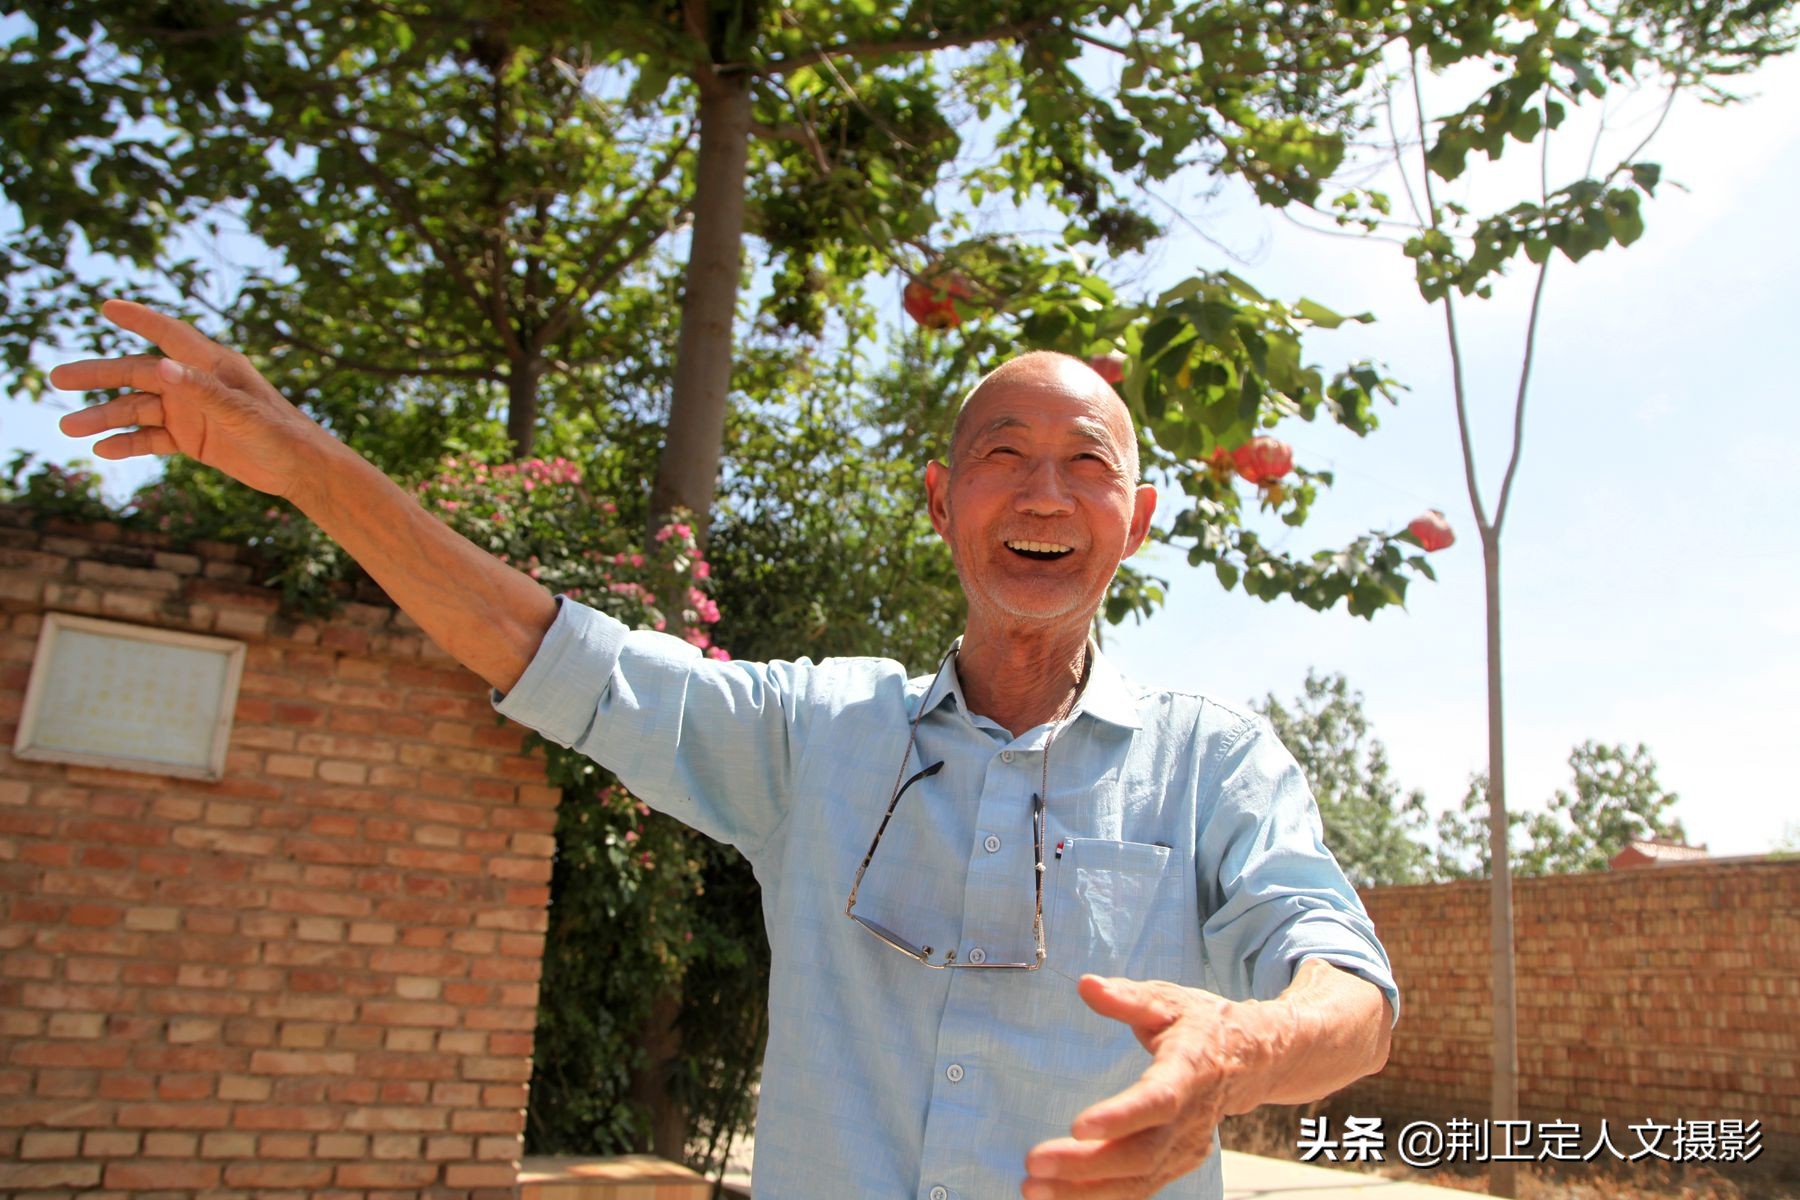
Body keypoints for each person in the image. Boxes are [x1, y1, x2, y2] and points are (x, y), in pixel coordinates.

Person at [54, 300, 1397, 1200]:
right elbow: (551, 652)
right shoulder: (818, 734)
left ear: (1138, 515)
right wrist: (306, 464)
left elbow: (1350, 993)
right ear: (941, 500)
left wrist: (1243, 1046)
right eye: (1004, 455)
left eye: (1088, 464)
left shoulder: (1215, 764)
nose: (1045, 494)